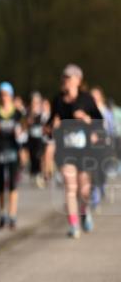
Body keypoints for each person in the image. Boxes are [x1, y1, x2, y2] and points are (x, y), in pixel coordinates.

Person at [48, 64, 103, 238]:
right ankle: (73, 225)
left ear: (78, 80)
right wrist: (52, 126)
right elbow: (49, 126)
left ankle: (84, 212)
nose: (66, 80)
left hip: (85, 150)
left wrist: (87, 120)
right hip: (66, 151)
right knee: (70, 187)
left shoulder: (87, 99)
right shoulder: (57, 100)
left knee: (84, 191)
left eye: (69, 77)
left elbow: (99, 122)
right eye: (64, 77)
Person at [0, 83, 26, 229]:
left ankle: (12, 214)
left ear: (11, 96)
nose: (4, 98)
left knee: (12, 184)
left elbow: (24, 129)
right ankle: (2, 213)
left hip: (13, 150)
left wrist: (20, 132)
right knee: (1, 184)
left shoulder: (17, 113)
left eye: (6, 94)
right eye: (2, 95)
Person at [26, 92, 51, 188]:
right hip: (31, 138)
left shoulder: (43, 112)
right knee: (33, 156)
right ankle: (35, 173)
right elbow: (25, 124)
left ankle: (43, 174)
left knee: (41, 156)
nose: (34, 103)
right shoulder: (28, 112)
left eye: (36, 101)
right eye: (33, 101)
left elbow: (47, 124)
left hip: (41, 138)